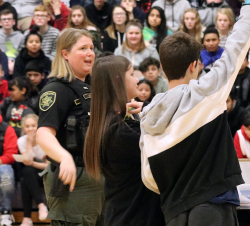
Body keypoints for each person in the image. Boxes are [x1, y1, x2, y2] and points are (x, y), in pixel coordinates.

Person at [138, 2, 250, 225]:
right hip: (213, 207)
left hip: (174, 211)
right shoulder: (206, 92)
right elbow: (237, 47)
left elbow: (149, 177)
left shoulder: (147, 115)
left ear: (161, 67)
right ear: (194, 65)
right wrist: (247, 7)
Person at [84, 55, 165, 226]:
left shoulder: (111, 125)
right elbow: (168, 140)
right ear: (117, 79)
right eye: (131, 74)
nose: (137, 80)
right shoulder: (121, 134)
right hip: (135, 219)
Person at [36, 28, 104, 226]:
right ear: (65, 54)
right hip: (73, 179)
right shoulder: (56, 90)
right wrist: (63, 157)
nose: (90, 53)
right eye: (83, 48)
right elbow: (44, 133)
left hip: (98, 177)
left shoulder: (93, 86)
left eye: (91, 48)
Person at [18, 114, 48, 226]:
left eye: (33, 125)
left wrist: (33, 163)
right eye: (27, 126)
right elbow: (27, 161)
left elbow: (48, 166)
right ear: (23, 128)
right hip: (33, 175)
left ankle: (27, 218)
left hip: (47, 172)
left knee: (27, 174)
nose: (30, 129)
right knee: (26, 173)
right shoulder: (21, 141)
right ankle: (41, 206)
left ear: (39, 126)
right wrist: (29, 142)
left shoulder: (46, 139)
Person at [0, 112, 18, 226]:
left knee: (6, 173)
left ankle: (5, 213)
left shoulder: (7, 129)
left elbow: (11, 154)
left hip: (1, 165)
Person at [0, 9, 25, 75]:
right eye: (4, 19)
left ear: (13, 22)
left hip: (15, 64)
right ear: (0, 22)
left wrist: (13, 63)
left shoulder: (21, 37)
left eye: (9, 19)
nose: (7, 21)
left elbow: (22, 55)